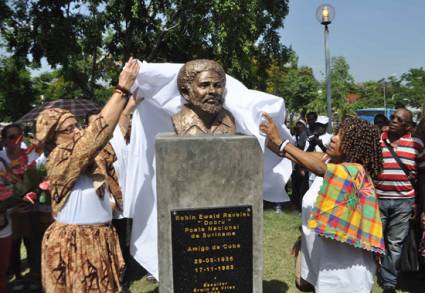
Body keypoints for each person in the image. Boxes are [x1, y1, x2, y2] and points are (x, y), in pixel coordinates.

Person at [36, 57, 139, 293]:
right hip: (76, 244)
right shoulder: (60, 157)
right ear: (53, 137)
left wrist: (129, 107)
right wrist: (121, 89)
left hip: (100, 238)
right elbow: (97, 134)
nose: (78, 131)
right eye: (69, 129)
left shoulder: (87, 158)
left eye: (77, 126)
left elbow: (112, 138)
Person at [260, 114, 384, 293]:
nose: (334, 137)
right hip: (323, 258)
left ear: (355, 146)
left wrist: (281, 142)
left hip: (346, 269)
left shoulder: (355, 172)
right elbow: (284, 151)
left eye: (342, 136)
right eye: (337, 132)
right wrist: (266, 131)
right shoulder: (326, 160)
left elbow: (317, 168)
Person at [375, 108, 425, 293]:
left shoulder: (416, 144)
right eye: (393, 117)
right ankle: (369, 270)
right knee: (375, 239)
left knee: (395, 243)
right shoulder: (378, 140)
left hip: (404, 202)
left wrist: (420, 203)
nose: (393, 120)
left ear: (407, 126)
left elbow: (422, 176)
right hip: (377, 199)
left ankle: (389, 282)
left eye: (399, 119)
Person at [172, 59, 236, 135]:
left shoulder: (229, 120)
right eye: (204, 85)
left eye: (217, 86)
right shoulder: (179, 121)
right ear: (186, 93)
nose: (213, 91)